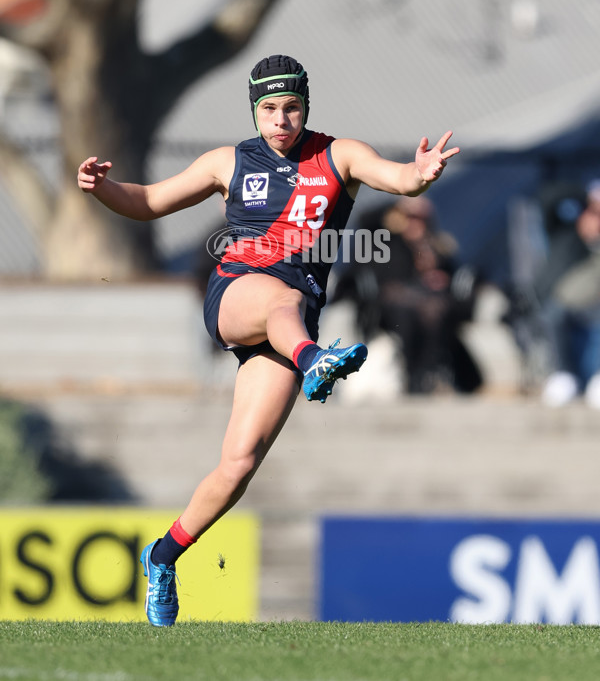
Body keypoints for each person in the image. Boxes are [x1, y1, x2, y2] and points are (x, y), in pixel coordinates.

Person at [77, 54, 459, 626]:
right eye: (270, 110)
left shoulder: (339, 154)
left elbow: (398, 179)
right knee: (284, 299)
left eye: (292, 108)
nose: (282, 120)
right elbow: (150, 202)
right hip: (238, 294)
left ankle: (162, 556)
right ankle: (315, 361)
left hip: (291, 321)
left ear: (307, 106)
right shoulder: (227, 162)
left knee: (239, 463)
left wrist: (420, 174)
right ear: (254, 112)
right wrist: (102, 188)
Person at [333, 194, 481, 395]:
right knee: (412, 315)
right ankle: (417, 375)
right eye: (409, 217)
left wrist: (439, 279)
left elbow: (455, 276)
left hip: (432, 303)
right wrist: (399, 203)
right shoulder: (387, 241)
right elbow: (364, 220)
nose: (415, 223)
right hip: (390, 303)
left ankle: (430, 374)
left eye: (420, 218)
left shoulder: (436, 246)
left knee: (436, 312)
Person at [535, 180, 600, 406]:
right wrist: (586, 198)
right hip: (564, 301)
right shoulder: (567, 234)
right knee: (553, 317)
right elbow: (547, 199)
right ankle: (564, 375)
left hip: (595, 304)